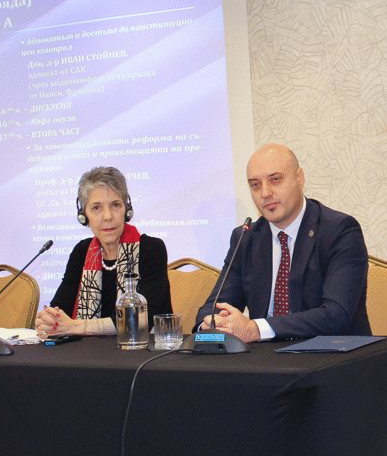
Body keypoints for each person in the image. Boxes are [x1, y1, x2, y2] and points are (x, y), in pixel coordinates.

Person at [195, 143, 371, 342]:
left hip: (332, 353)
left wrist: (256, 329)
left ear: (300, 178)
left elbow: (335, 315)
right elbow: (213, 308)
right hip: (266, 356)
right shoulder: (245, 238)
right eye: (255, 185)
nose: (265, 193)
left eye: (275, 179)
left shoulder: (340, 231)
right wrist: (212, 324)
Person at [36, 166, 172, 338]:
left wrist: (75, 326)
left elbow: (142, 318)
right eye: (96, 208)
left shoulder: (151, 249)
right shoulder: (81, 252)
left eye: (115, 205)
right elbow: (60, 308)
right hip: (89, 352)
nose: (107, 216)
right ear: (83, 215)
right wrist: (49, 320)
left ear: (126, 210)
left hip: (141, 349)